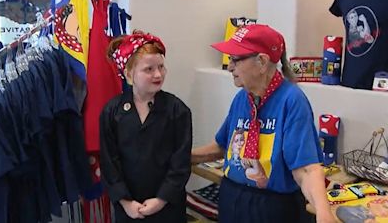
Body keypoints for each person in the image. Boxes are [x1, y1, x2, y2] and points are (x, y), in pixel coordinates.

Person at [191, 24, 335, 223]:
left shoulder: (292, 100)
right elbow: (222, 146)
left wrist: (323, 212)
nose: (230, 66)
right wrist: (182, 157)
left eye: (236, 59)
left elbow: (306, 169)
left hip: (272, 207)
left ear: (262, 61)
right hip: (232, 199)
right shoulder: (242, 98)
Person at [100, 30, 192, 223]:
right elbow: (110, 162)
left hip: (168, 207)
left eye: (161, 67)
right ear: (129, 73)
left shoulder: (178, 110)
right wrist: (126, 202)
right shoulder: (112, 112)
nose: (158, 74)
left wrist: (161, 200)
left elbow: (180, 162)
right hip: (128, 208)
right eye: (148, 69)